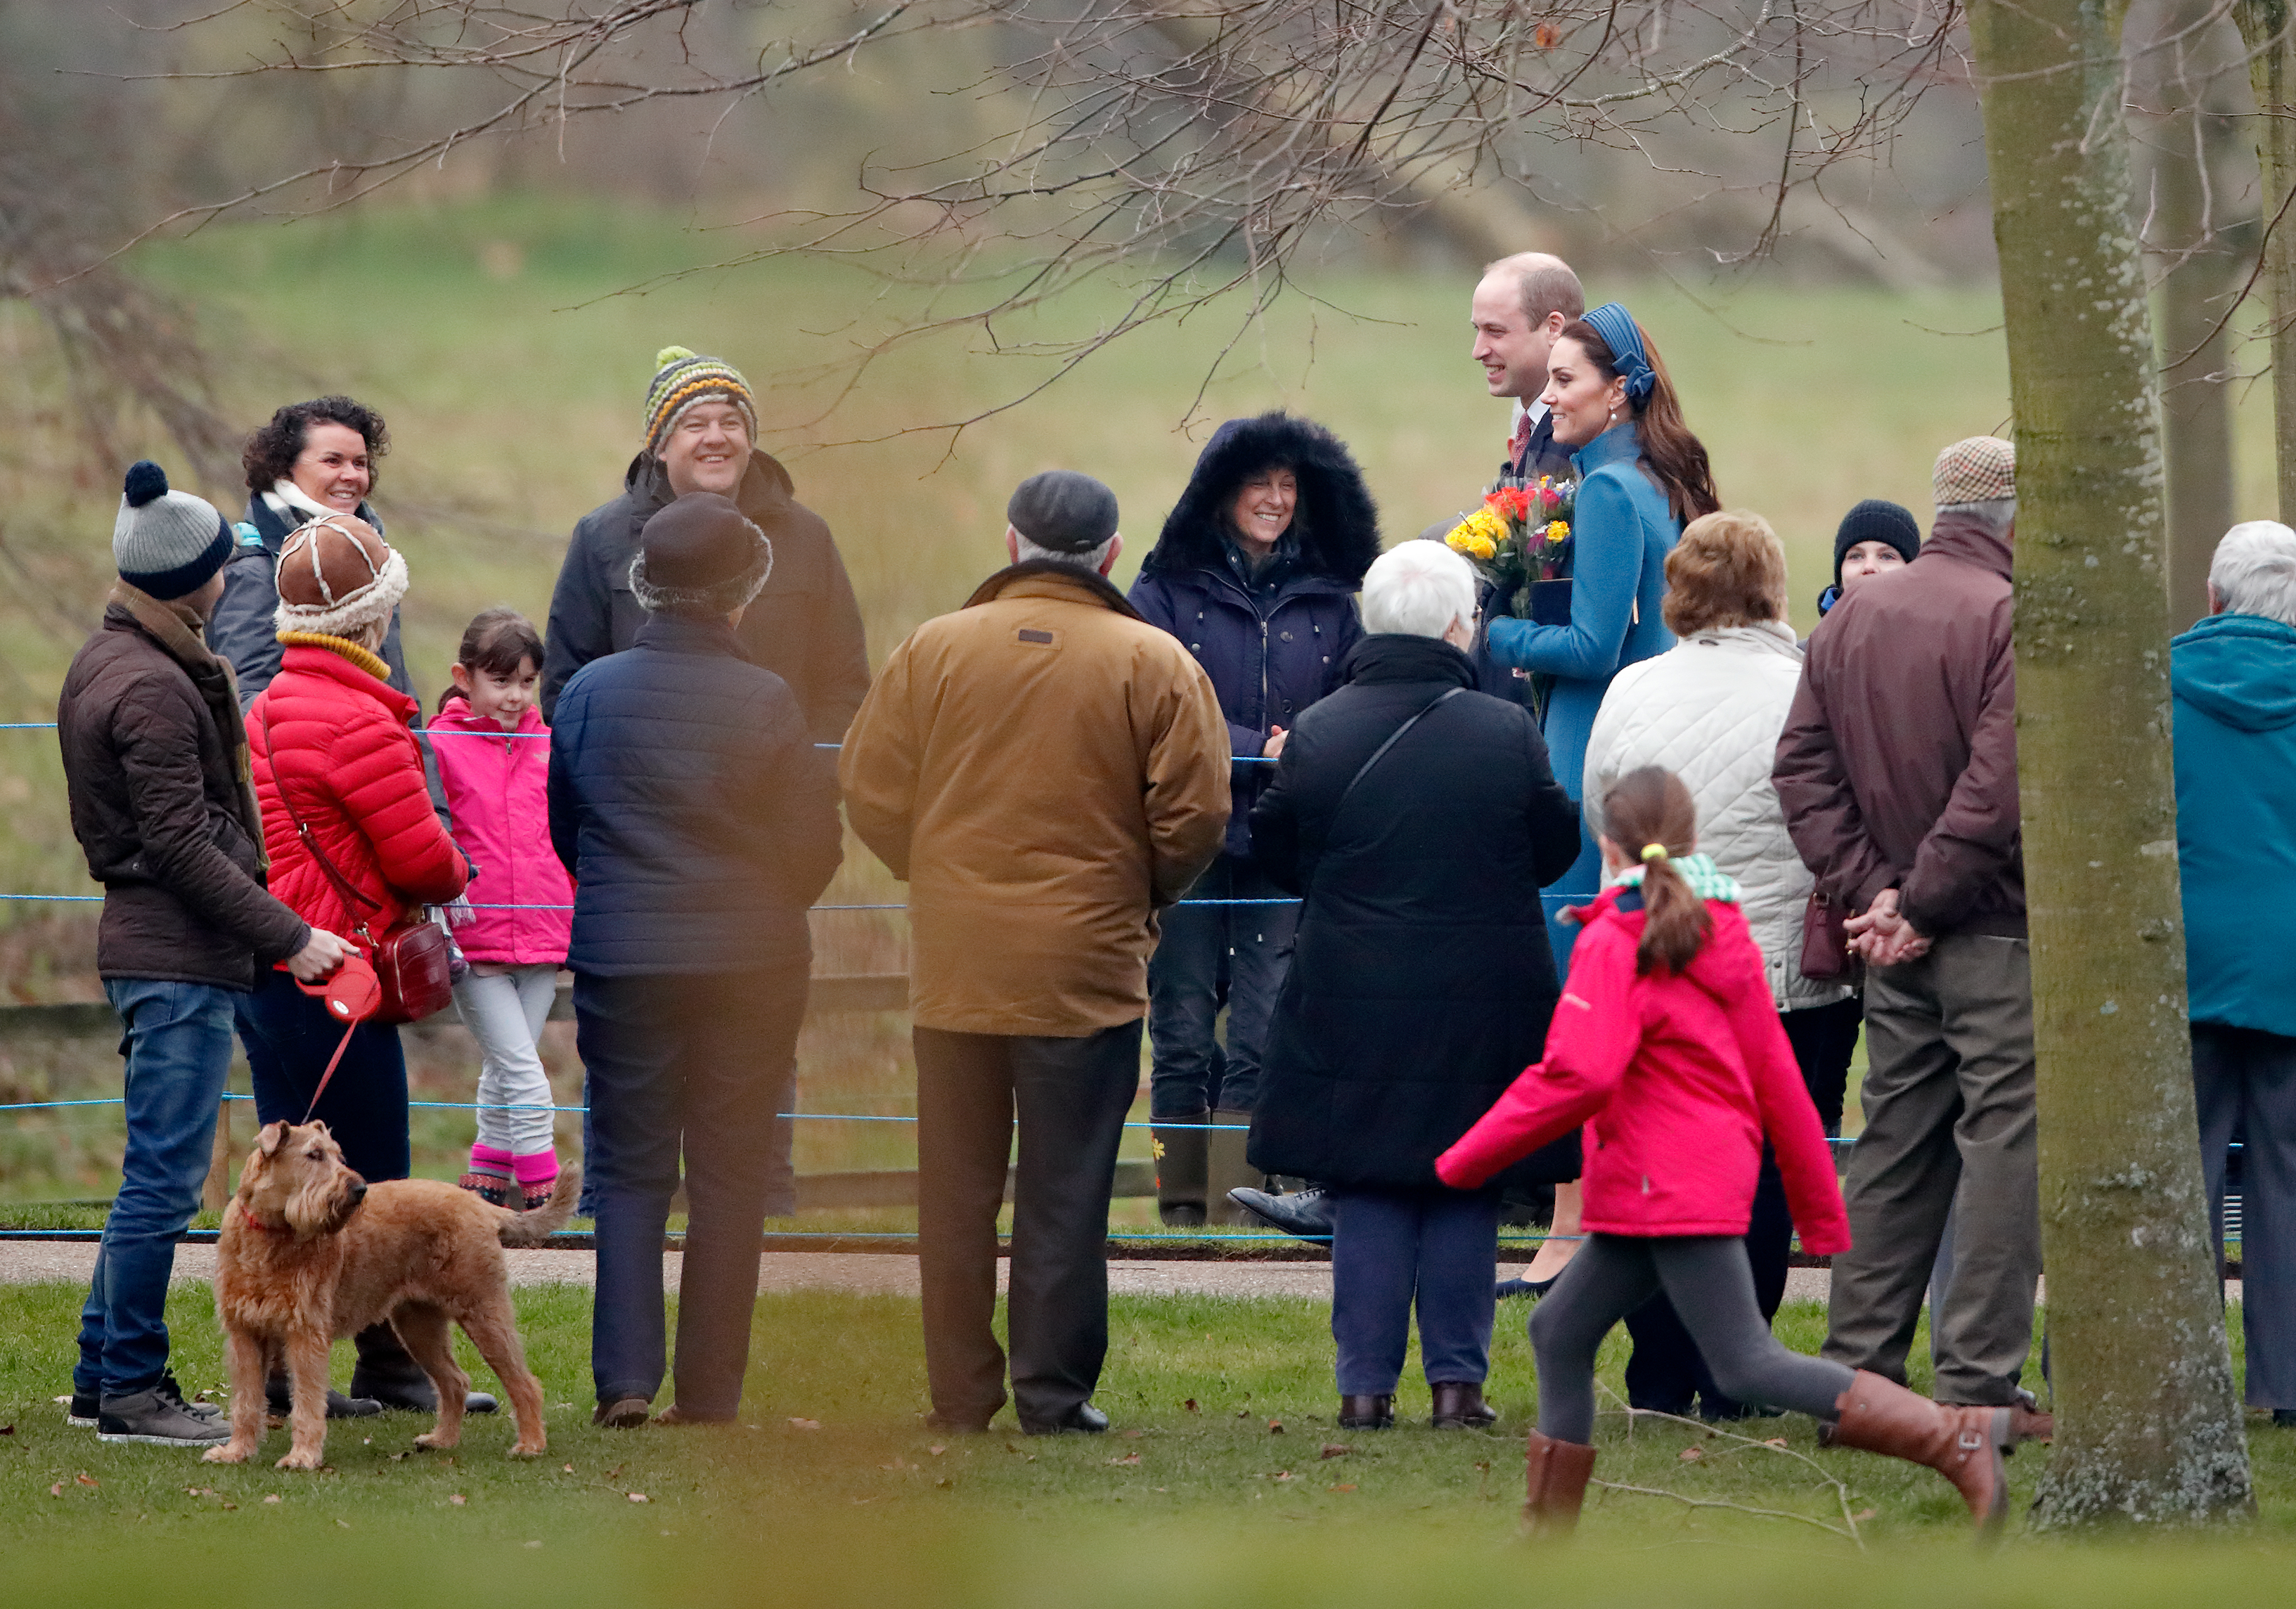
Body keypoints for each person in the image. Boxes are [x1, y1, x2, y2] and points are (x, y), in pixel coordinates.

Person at [1437, 766, 2044, 1536]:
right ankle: (1545, 1539)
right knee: (1556, 1331)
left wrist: (1461, 1161)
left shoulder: (1613, 936)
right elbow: (1779, 1083)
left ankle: (1951, 1439)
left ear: (1604, 843)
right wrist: (1819, 1213)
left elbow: (1576, 1072)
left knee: (1744, 1363)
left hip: (1662, 1190)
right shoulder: (1720, 928)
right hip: (1667, 1186)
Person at [839, 472, 1230, 1435]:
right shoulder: (1154, 660)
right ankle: (1053, 1394)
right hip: (1086, 977)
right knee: (1066, 1192)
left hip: (957, 970)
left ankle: (958, 1394)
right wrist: (1140, 895)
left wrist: (933, 872)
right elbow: (1197, 812)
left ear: (1011, 545)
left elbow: (870, 787)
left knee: (955, 1193)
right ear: (1108, 552)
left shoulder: (931, 649)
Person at [1246, 541, 1581, 1431]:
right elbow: (1553, 848)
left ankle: (1362, 1390)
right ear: (1450, 626)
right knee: (1463, 1185)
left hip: (1350, 990)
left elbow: (1275, 847)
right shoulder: (1503, 730)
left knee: (1366, 1189)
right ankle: (1457, 1388)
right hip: (1479, 995)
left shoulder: (1319, 730)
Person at [56, 461, 349, 1447]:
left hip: (163, 951)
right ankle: (134, 1390)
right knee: (167, 1184)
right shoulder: (149, 684)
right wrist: (294, 935)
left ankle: (104, 1377)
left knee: (153, 1172)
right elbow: (178, 841)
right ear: (188, 580)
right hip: (174, 958)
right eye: (223, 567)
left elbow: (185, 827)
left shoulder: (123, 659)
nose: (233, 579)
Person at [550, 493, 844, 1428]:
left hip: (621, 955)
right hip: (747, 963)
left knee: (629, 1166)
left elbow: (568, 828)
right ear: (737, 599)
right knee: (729, 1171)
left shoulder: (591, 690)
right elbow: (813, 848)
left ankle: (625, 1380)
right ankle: (710, 1389)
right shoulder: (765, 698)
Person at [1773, 436, 2043, 1413]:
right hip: (1994, 928)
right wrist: (1915, 900)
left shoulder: (1849, 620)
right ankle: (1975, 1384)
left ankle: (1858, 1381)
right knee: (2007, 1144)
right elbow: (1995, 787)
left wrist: (1872, 896)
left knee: (1892, 1145)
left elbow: (1799, 770)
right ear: (2014, 516)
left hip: (1889, 939)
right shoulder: (2012, 616)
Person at [1578, 510, 1860, 1419]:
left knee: (1663, 1160)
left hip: (1658, 965)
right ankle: (1741, 1367)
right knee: (1776, 1157)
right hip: (1781, 970)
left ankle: (1656, 1372)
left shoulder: (1631, 690)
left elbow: (1602, 814)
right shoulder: (1808, 687)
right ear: (1771, 587)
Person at [1484, 299, 1720, 1294]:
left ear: (1616, 388)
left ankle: (1576, 1229)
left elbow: (1592, 647)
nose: (1548, 396)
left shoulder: (1615, 493)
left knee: (1581, 993)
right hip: (1621, 744)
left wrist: (1480, 631)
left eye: (1564, 380)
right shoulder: (1637, 483)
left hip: (1591, 753)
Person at [243, 509, 480, 1416]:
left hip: (284, 966)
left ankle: (282, 1369)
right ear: (368, 620)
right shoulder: (360, 720)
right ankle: (377, 1367)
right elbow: (423, 860)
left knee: (282, 1181)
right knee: (365, 1183)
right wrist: (461, 866)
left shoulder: (269, 706)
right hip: (349, 976)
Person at [1128, 413, 1374, 1227]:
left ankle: (1232, 1210)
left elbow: (1352, 697)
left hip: (1281, 839)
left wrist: (1297, 748)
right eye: (1258, 482)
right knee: (1183, 1029)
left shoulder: (1333, 599)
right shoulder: (1163, 592)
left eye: (1287, 484)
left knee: (1263, 1030)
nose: (1273, 499)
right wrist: (1256, 746)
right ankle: (1178, 1205)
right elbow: (1149, 702)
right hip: (1188, 840)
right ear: (1221, 491)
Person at [541, 346, 870, 742]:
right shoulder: (602, 537)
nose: (716, 438)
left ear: (750, 440)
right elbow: (565, 687)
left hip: (774, 794)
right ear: (660, 446)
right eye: (695, 425)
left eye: (731, 422)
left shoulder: (806, 536)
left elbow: (843, 682)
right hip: (645, 791)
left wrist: (810, 777)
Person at [2172, 520, 2296, 1426]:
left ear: (2211, 599)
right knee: (2287, 1177)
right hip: (2287, 966)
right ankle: (2281, 1385)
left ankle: (2168, 1372)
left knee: (2181, 1171)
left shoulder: (2152, 687)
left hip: (2180, 966)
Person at [431, 607, 573, 1211]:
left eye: (527, 681)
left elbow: (568, 833)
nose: (516, 696)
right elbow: (430, 835)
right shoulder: (437, 745)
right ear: (464, 678)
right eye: (501, 680)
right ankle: (541, 1201)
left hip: (545, 932)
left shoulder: (551, 746)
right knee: (523, 1070)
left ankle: (486, 1184)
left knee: (504, 1065)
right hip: (475, 937)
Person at [212, 396, 421, 709]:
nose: (351, 475)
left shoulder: (374, 562)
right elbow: (246, 703)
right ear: (284, 469)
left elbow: (400, 695)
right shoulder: (254, 570)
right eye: (333, 461)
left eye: (360, 463)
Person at [1459, 252, 1586, 704]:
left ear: (1554, 328)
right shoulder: (1534, 426)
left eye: (1495, 331)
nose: (1478, 350)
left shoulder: (1576, 441)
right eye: (1477, 330)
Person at [1815, 499, 1920, 619]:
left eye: (1887, 557)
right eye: (1856, 556)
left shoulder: (1939, 634)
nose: (1869, 567)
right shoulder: (1819, 638)